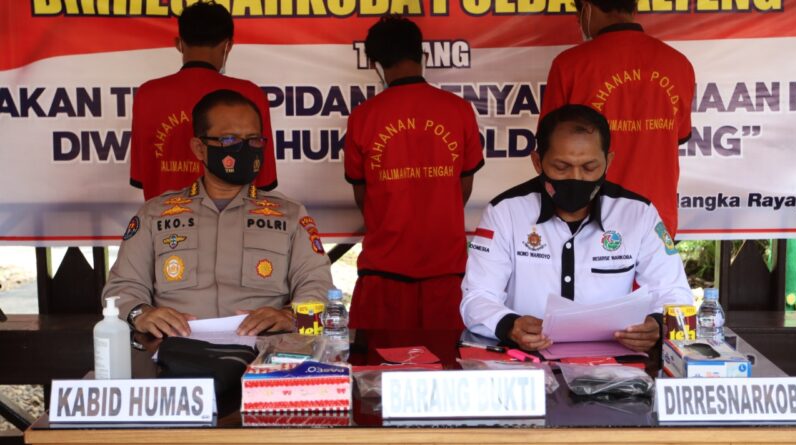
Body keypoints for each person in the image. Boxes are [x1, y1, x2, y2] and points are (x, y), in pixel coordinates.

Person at [461, 105, 692, 352]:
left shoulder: (638, 214)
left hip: (615, 371)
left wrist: (658, 325)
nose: (577, 177)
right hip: (527, 364)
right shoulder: (505, 212)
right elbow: (477, 297)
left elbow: (675, 292)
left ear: (608, 161)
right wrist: (509, 325)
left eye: (590, 167)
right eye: (561, 167)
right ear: (537, 162)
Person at [105, 89, 332, 338]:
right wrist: (142, 314)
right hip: (177, 359)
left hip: (267, 359)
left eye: (253, 140)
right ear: (199, 148)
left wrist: (291, 317)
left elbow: (320, 289)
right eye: (230, 141)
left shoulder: (290, 215)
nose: (244, 149)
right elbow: (122, 287)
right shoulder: (155, 214)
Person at [343, 15, 484, 329]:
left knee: (378, 375)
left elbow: (362, 195)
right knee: (450, 372)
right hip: (447, 271)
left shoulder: (363, 117)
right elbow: (464, 185)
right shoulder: (458, 109)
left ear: (375, 63)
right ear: (424, 55)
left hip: (384, 274)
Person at [539, 0, 695, 238]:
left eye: (578, 14)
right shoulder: (679, 64)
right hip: (657, 217)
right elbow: (678, 136)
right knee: (655, 276)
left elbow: (548, 150)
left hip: (589, 217)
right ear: (634, 9)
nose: (579, 22)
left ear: (587, 8)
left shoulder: (569, 65)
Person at [130, 0, 277, 200]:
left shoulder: (147, 94)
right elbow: (263, 179)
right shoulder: (249, 94)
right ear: (228, 45)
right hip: (233, 222)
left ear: (178, 44)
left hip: (164, 222)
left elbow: (142, 177)